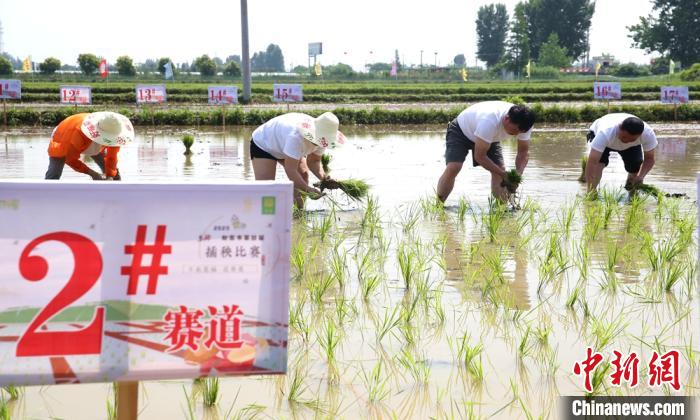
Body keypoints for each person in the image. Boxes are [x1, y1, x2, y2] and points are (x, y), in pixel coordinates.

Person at [436, 101, 536, 202]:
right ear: (506, 119)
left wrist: (518, 174)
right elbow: (479, 157)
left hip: (490, 138)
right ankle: (439, 204)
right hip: (461, 131)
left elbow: (523, 152)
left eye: (520, 132)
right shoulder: (489, 121)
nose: (516, 134)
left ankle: (502, 210)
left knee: (499, 169)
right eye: (515, 130)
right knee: (454, 167)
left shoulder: (525, 123)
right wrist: (503, 174)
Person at [250, 112, 345, 209]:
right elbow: (291, 170)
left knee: (303, 175)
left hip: (285, 144)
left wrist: (325, 179)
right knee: (267, 188)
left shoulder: (324, 140)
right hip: (265, 144)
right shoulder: (296, 137)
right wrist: (308, 189)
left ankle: (298, 214)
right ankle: (267, 218)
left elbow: (314, 162)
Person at [45, 112, 134, 180]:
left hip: (92, 143)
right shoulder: (78, 133)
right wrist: (92, 173)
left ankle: (116, 197)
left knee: (114, 175)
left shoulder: (114, 134)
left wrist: (110, 176)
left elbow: (112, 157)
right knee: (54, 173)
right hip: (64, 136)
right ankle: (45, 195)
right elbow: (70, 159)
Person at [584, 113, 657, 193]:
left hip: (631, 147)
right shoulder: (604, 133)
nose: (626, 141)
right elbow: (593, 162)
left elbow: (649, 159)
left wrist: (640, 176)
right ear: (619, 128)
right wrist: (590, 190)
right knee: (599, 163)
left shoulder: (648, 134)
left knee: (635, 164)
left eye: (632, 139)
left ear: (640, 135)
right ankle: (591, 191)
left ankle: (631, 187)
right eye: (624, 137)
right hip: (599, 136)